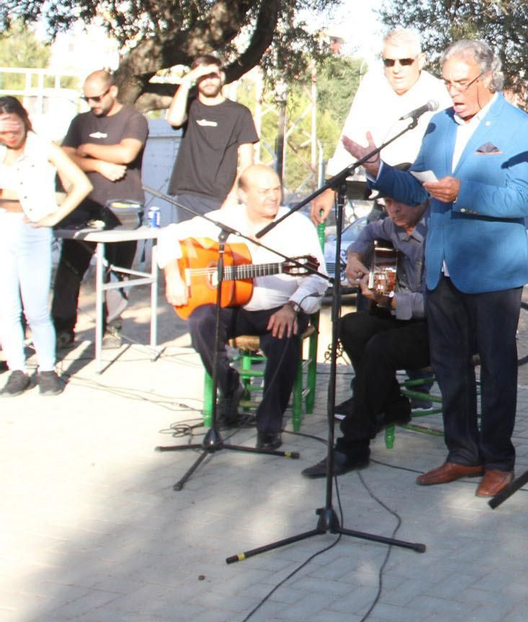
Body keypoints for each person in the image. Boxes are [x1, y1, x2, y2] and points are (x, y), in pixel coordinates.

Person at [344, 39, 528, 500]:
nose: (452, 91)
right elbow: (416, 192)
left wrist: (463, 192)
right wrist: (378, 169)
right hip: (442, 270)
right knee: (449, 368)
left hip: (493, 272)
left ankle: (498, 461)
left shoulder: (519, 126)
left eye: (461, 82)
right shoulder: (437, 125)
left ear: (487, 78)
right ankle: (462, 453)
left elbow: (522, 200)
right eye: (448, 82)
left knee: (495, 369)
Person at [155, 165, 325, 449]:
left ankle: (269, 424)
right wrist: (173, 275)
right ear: (243, 194)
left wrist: (293, 307)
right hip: (235, 307)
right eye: (263, 191)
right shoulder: (224, 220)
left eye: (276, 189)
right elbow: (168, 235)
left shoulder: (297, 224)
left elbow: (318, 279)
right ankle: (231, 387)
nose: (273, 197)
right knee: (200, 320)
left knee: (285, 338)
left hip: (280, 308)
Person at [303, 196, 430, 477]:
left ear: (422, 200)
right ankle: (393, 403)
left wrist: (394, 300)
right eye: (387, 202)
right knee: (349, 326)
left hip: (438, 328)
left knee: (380, 347)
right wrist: (354, 258)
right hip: (400, 318)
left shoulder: (442, 232)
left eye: (401, 202)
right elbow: (370, 232)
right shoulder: (391, 226)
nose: (393, 209)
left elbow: (443, 304)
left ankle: (352, 446)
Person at [52, 68, 150, 351]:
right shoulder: (80, 121)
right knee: (70, 268)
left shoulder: (133, 118)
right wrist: (98, 164)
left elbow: (126, 153)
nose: (92, 104)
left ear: (113, 92)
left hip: (123, 205)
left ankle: (111, 327)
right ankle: (62, 327)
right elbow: (63, 158)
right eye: (87, 99)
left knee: (118, 269)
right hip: (83, 205)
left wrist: (85, 148)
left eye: (97, 98)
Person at [0, 97, 92, 395]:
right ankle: (17, 368)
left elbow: (81, 184)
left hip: (33, 230)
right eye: (3, 130)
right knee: (6, 308)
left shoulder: (43, 146)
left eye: (14, 127)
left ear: (24, 121)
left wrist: (56, 216)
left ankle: (48, 368)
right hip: (3, 227)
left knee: (36, 307)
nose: (9, 135)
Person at [310, 28, 448, 225]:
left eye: (405, 61)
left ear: (422, 60)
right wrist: (330, 189)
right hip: (384, 202)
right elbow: (351, 138)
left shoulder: (438, 92)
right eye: (389, 62)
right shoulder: (372, 85)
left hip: (425, 206)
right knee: (363, 251)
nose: (396, 68)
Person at [164, 53, 258, 217]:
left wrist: (233, 197)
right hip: (188, 195)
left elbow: (247, 163)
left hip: (221, 198)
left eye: (212, 76)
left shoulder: (240, 113)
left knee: (219, 244)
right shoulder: (189, 105)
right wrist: (186, 80)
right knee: (189, 243)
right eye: (202, 76)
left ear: (221, 77)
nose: (208, 81)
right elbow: (174, 120)